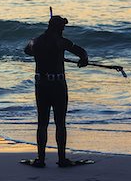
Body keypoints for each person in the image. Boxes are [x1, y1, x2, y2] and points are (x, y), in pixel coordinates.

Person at [24, 15, 89, 167]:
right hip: (58, 85)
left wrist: (44, 54)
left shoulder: (37, 40)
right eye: (62, 28)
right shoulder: (61, 42)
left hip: (41, 85)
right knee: (60, 123)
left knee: (42, 123)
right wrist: (83, 61)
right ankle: (62, 159)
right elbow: (82, 52)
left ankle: (40, 159)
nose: (63, 30)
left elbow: (27, 50)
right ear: (59, 28)